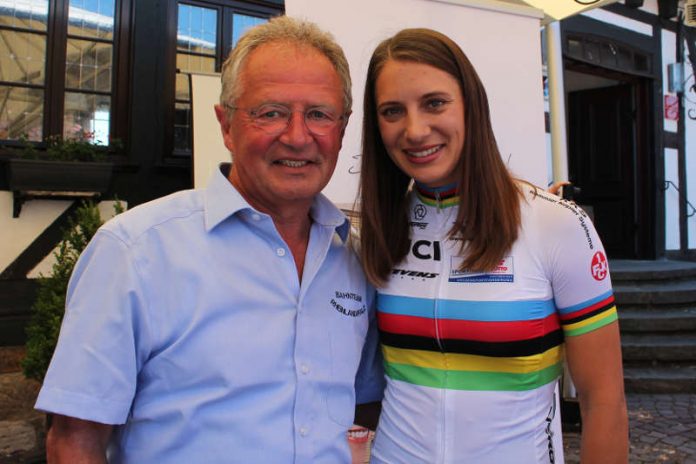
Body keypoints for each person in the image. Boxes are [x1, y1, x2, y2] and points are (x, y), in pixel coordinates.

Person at [35, 16, 384, 463]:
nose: (297, 136)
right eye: (271, 112)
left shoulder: (354, 260)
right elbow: (75, 440)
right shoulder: (136, 251)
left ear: (342, 127)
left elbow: (364, 408)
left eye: (318, 114)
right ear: (225, 124)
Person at [358, 28, 628, 463]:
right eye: (392, 111)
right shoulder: (378, 229)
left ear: (471, 104)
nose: (415, 130)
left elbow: (604, 402)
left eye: (434, 103)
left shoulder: (554, 223)